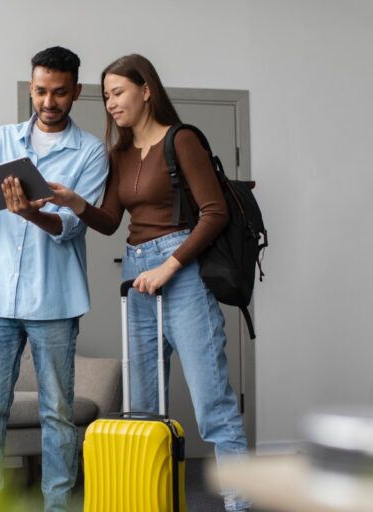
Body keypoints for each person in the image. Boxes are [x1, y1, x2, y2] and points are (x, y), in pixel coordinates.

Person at [46, 53, 251, 512]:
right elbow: (110, 222)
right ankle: (150, 501)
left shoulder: (182, 141)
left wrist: (169, 266)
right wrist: (76, 202)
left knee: (214, 407)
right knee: (142, 408)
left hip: (182, 276)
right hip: (135, 278)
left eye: (118, 93)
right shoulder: (118, 154)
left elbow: (215, 213)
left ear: (146, 90)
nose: (111, 104)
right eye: (105, 97)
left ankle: (241, 505)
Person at [0, 46, 108, 512]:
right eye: (41, 90)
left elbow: (71, 226)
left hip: (54, 303)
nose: (48, 101)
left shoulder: (91, 153)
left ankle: (57, 506)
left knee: (57, 414)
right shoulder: (1, 139)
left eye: (59, 92)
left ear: (76, 92)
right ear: (32, 87)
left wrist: (32, 215)